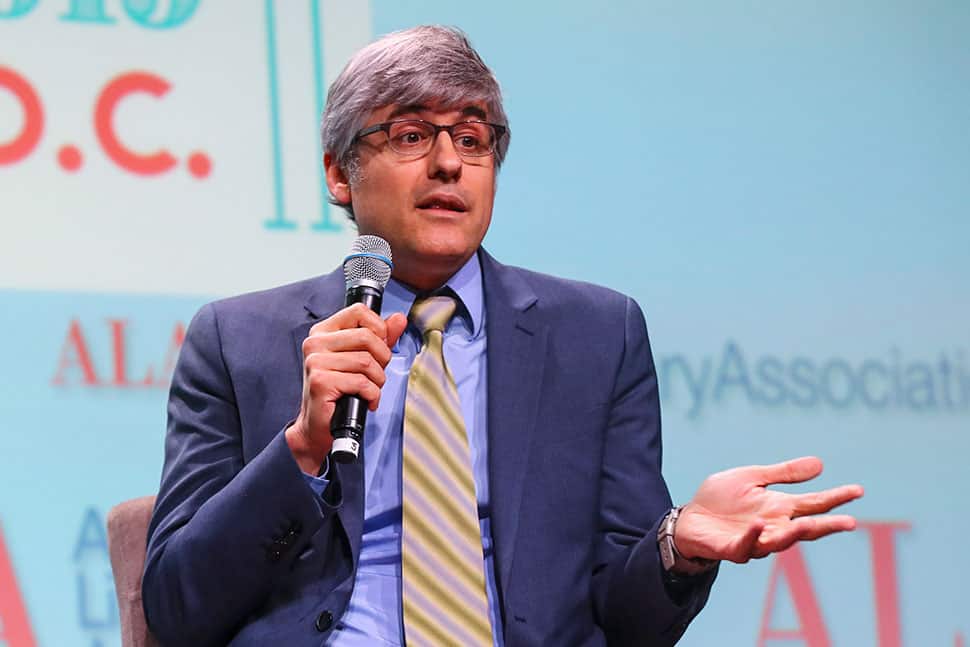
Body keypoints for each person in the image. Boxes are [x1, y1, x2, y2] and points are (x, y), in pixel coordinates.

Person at [142, 25, 863, 646]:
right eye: (411, 135)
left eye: (472, 138)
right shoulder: (236, 341)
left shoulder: (596, 335)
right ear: (339, 173)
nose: (449, 162)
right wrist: (300, 449)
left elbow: (626, 620)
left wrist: (679, 548)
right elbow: (176, 611)